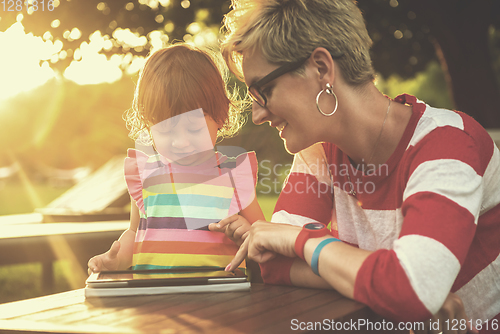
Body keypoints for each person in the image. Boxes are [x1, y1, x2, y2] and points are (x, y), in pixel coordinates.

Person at [220, 0, 500, 333]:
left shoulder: (448, 143)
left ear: (322, 68)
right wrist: (389, 275)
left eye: (263, 90)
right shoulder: (317, 153)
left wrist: (303, 242)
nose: (257, 114)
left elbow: (411, 290)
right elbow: (273, 264)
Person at [88, 43, 264, 274]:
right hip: (154, 297)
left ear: (220, 117)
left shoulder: (233, 174)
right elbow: (135, 233)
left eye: (193, 129)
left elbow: (263, 236)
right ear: (148, 124)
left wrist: (247, 232)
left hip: (220, 297)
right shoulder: (145, 175)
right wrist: (115, 260)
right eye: (165, 131)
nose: (180, 141)